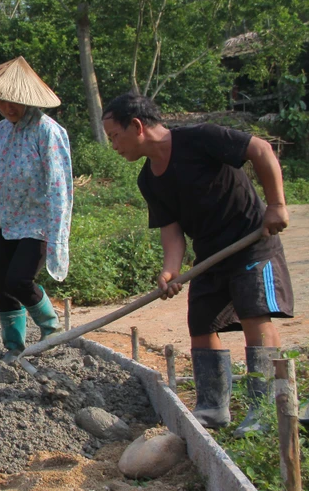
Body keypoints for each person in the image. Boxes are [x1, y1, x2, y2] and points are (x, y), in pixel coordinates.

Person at [101, 92, 293, 436]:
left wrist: (276, 204)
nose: (113, 145)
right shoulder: (148, 179)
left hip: (251, 242)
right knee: (202, 323)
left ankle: (265, 410)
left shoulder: (200, 138)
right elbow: (172, 230)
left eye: (115, 136)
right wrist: (170, 269)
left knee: (254, 316)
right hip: (210, 256)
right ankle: (212, 407)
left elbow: (260, 150)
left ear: (137, 126)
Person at [0, 56, 73, 362]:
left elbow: (59, 186)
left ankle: (51, 329)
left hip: (36, 222)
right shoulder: (1, 131)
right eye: (2, 101)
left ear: (28, 101)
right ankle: (14, 347)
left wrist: (57, 233)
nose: (9, 108)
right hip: (5, 221)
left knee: (19, 281)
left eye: (15, 102)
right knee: (2, 287)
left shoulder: (47, 131)